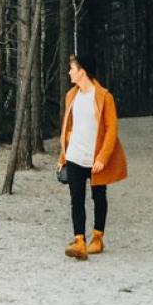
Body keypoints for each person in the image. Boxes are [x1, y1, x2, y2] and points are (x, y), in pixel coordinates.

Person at [57, 54, 128, 260]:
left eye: (72, 68)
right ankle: (79, 241)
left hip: (96, 158)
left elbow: (111, 130)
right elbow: (67, 127)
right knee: (76, 199)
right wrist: (63, 157)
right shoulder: (71, 95)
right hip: (75, 156)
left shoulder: (104, 97)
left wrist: (102, 158)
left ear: (82, 71)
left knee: (99, 196)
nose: (69, 72)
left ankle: (97, 238)